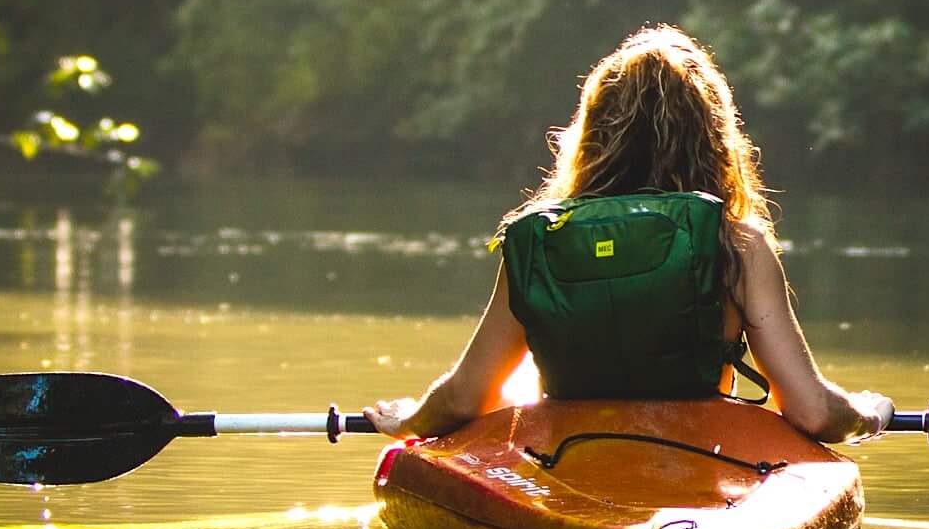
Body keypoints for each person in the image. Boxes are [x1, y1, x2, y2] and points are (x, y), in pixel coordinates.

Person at [365, 27, 892, 444]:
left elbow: (463, 400)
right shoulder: (738, 246)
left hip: (566, 461)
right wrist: (867, 414)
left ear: (591, 134)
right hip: (700, 460)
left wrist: (410, 418)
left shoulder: (540, 242)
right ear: (713, 138)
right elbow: (814, 412)